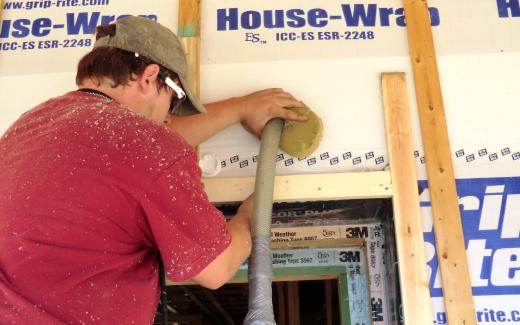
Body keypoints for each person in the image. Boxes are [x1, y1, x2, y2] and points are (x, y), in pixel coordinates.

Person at [0, 16, 306, 324]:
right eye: (173, 102)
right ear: (149, 77)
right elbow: (217, 268)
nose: (166, 119)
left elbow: (140, 153)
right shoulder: (144, 146)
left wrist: (241, 107)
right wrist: (248, 219)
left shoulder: (30, 125)